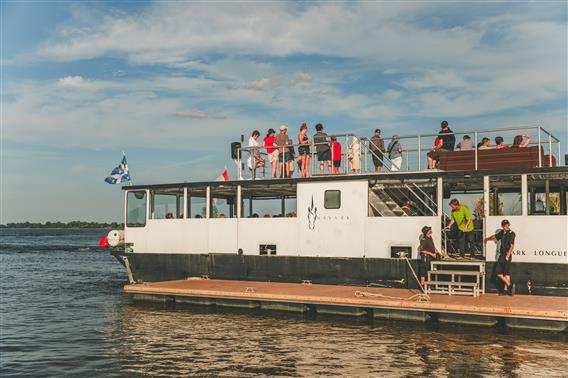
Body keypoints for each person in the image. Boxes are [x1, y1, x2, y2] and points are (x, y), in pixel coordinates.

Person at [484, 219, 516, 295]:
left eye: (507, 225)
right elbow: (494, 237)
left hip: (506, 255)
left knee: (504, 273)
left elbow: (512, 246)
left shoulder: (512, 233)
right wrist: (487, 239)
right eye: (504, 225)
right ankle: (508, 287)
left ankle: (507, 289)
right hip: (501, 255)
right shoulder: (502, 232)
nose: (506, 226)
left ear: (509, 225)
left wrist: (508, 255)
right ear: (502, 226)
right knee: (502, 273)